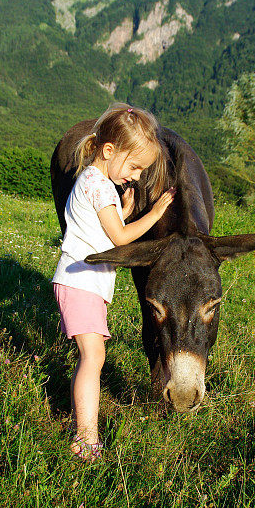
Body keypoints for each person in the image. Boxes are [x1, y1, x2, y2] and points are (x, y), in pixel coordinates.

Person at [52, 103, 175, 461]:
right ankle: (86, 438)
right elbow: (120, 239)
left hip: (78, 282)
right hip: (81, 283)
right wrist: (153, 213)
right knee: (93, 358)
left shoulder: (92, 181)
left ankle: (86, 433)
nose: (137, 175)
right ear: (109, 151)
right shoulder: (100, 187)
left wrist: (121, 207)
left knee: (93, 357)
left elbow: (101, 228)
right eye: (135, 166)